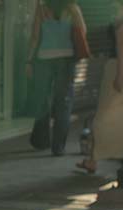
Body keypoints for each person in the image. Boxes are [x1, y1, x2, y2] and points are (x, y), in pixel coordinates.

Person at [77, 0, 123, 174]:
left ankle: (94, 158)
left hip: (121, 64)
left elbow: (122, 41)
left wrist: (120, 74)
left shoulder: (116, 9)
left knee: (103, 114)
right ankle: (119, 154)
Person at [26, 0, 88, 156]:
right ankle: (58, 146)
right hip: (66, 59)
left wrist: (29, 60)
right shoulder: (73, 9)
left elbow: (35, 36)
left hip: (44, 59)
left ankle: (42, 140)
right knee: (64, 102)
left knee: (43, 100)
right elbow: (83, 31)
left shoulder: (42, 9)